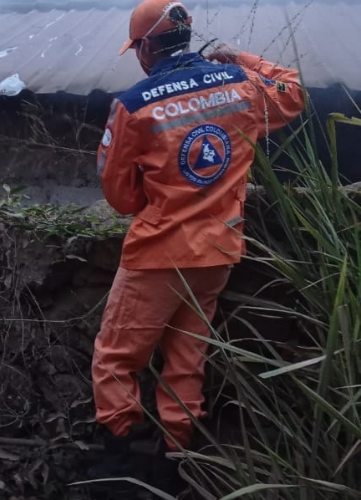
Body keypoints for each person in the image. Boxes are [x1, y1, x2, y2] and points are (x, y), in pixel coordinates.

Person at [90, 0, 305, 489]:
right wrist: (242, 58)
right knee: (186, 358)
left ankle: (117, 466)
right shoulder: (241, 86)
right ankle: (176, 465)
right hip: (220, 252)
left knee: (117, 357)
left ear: (145, 48)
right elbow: (293, 91)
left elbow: (120, 197)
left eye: (135, 48)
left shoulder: (135, 103)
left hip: (158, 255)